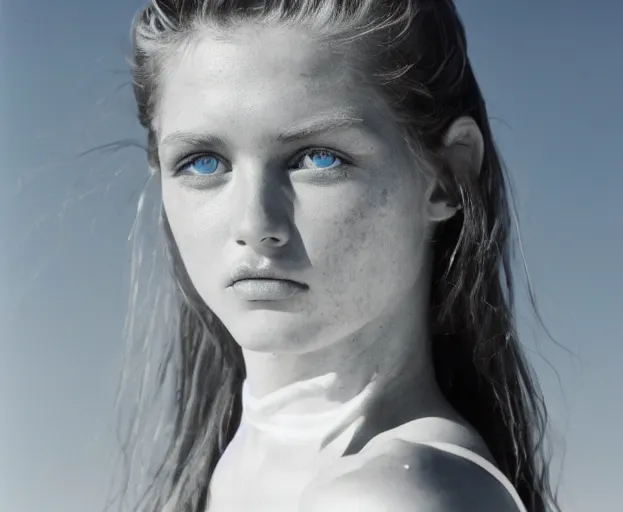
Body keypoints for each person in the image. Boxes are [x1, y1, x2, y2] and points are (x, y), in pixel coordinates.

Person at [117, 0, 560, 510]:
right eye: (202, 163)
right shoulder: (229, 470)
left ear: (447, 177)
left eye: (317, 159)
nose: (254, 225)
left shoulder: (391, 498)